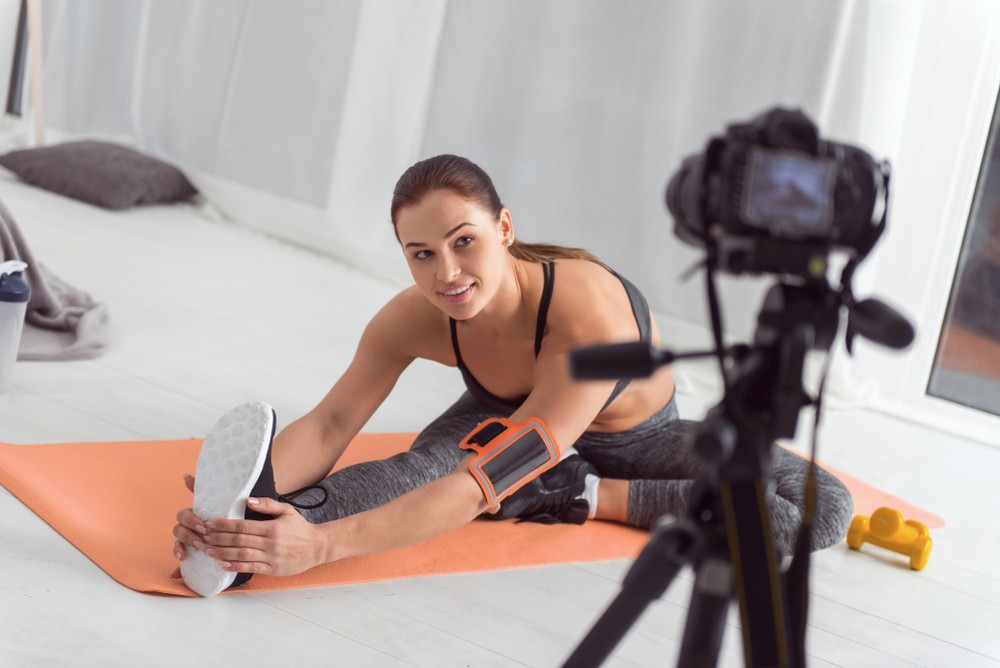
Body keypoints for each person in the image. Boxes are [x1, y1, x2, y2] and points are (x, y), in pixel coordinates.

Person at [171, 154, 853, 592]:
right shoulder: (411, 317)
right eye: (421, 254)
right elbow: (333, 422)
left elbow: (476, 489)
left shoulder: (590, 321)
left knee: (820, 512)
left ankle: (583, 493)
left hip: (631, 440)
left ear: (503, 227)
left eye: (463, 241)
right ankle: (253, 533)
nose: (447, 275)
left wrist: (319, 550)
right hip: (503, 416)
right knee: (418, 468)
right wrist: (250, 504)